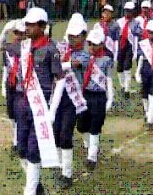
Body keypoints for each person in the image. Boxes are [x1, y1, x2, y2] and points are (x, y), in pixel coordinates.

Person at [16, 7, 62, 195]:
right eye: (26, 24)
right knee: (21, 148)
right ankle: (36, 186)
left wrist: (52, 111)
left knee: (34, 151)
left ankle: (30, 190)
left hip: (41, 106)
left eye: (31, 24)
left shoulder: (51, 49)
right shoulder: (25, 46)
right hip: (24, 102)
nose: (27, 28)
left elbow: (59, 80)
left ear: (42, 26)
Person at [52, 14, 88, 188]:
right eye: (71, 35)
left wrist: (57, 61)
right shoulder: (61, 46)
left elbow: (73, 64)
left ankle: (67, 173)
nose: (74, 39)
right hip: (57, 97)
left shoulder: (85, 54)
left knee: (66, 133)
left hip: (72, 100)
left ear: (84, 36)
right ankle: (59, 165)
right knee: (55, 132)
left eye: (77, 36)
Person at [76, 28, 114, 171]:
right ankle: (89, 145)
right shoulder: (84, 57)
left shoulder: (106, 60)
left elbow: (109, 80)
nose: (92, 47)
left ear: (102, 45)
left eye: (95, 44)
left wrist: (110, 99)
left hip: (98, 96)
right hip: (85, 94)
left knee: (94, 127)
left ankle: (92, 156)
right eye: (90, 43)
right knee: (81, 125)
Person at [0, 19, 26, 158]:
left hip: (23, 87)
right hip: (11, 85)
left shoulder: (28, 48)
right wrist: (4, 31)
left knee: (20, 114)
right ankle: (16, 139)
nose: (19, 36)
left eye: (22, 33)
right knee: (12, 114)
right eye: (17, 33)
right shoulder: (8, 48)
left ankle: (18, 142)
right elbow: (5, 69)